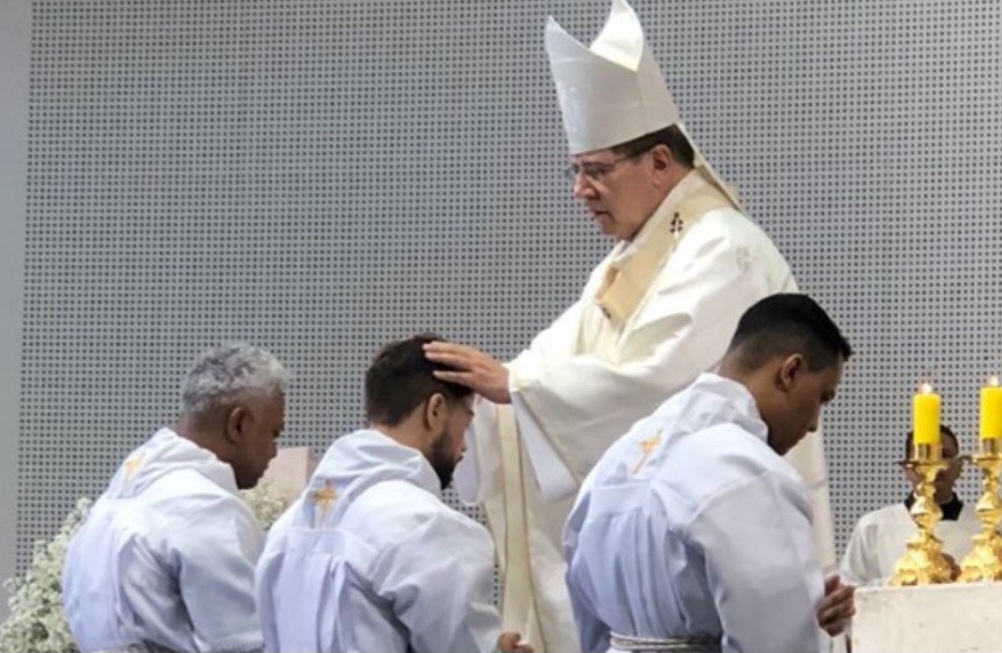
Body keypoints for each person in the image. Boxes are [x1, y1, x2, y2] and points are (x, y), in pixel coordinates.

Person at [422, 1, 836, 650]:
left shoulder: (722, 248)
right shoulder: (623, 264)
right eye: (576, 169)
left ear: (662, 162)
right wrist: (483, 405)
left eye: (596, 169)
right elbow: (540, 370)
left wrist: (522, 392)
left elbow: (656, 387)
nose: (580, 189)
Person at [564, 294, 855, 653]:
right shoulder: (746, 467)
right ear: (790, 372)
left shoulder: (621, 455)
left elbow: (587, 618)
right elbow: (777, 642)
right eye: (822, 398)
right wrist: (804, 625)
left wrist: (807, 608)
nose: (813, 424)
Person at [256, 334, 532, 653]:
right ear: (436, 410)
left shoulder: (285, 529)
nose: (464, 447)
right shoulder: (426, 526)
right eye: (466, 423)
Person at [62, 343, 288, 653]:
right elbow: (246, 644)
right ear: (238, 424)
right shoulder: (205, 508)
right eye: (273, 433)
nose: (274, 451)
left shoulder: (109, 506)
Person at [840, 425, 976, 586]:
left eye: (944, 455)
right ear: (907, 468)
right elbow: (850, 589)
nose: (935, 464)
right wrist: (902, 581)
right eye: (923, 454)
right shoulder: (873, 526)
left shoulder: (990, 525)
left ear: (959, 466)